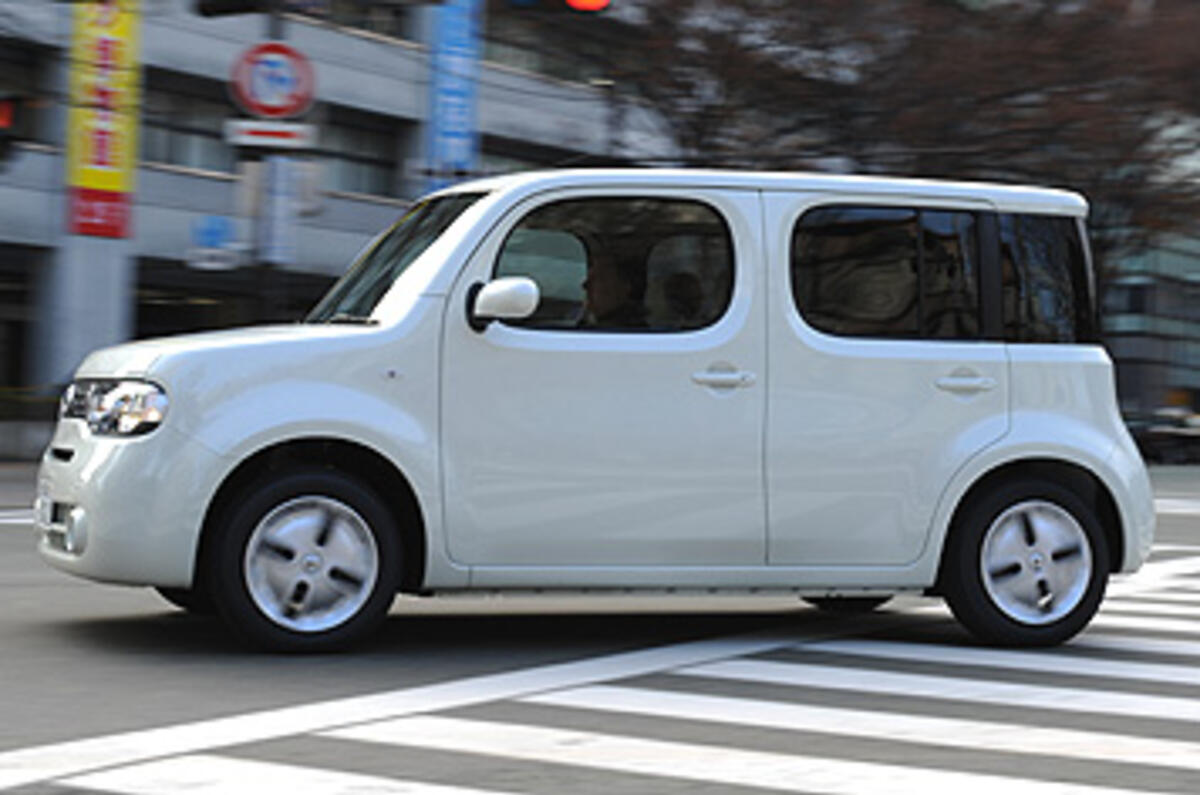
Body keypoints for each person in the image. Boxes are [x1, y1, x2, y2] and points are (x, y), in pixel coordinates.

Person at [579, 241, 647, 329]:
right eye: (589, 276)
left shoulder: (623, 333)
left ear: (625, 287)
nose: (585, 285)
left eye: (600, 278)